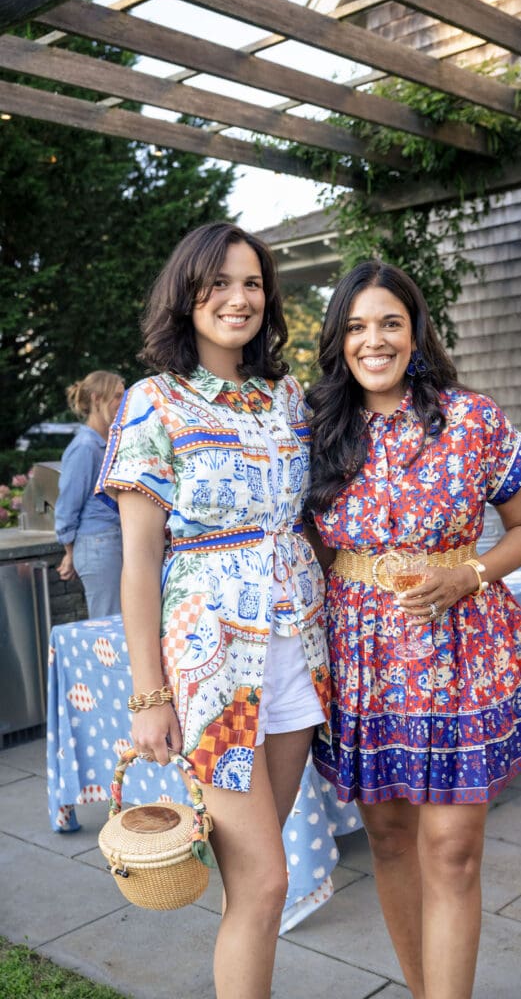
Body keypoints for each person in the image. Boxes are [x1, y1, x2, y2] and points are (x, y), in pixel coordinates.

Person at [306, 261, 521, 999]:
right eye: (355, 327)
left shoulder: (470, 419)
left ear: (415, 332)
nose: (372, 340)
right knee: (387, 840)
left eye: (388, 322)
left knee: (451, 850)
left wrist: (468, 574)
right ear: (337, 340)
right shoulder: (315, 427)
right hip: (363, 656)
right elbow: (310, 546)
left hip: (458, 650)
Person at [96, 222, 330, 999]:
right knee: (266, 883)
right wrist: (149, 694)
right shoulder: (152, 402)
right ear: (186, 295)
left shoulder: (287, 397)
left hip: (299, 658)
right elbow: (139, 564)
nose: (238, 298)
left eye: (253, 283)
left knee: (252, 882)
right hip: (213, 670)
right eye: (219, 284)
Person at [55, 370, 125, 617]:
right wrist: (70, 553)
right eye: (117, 396)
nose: (123, 401)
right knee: (109, 625)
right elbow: (66, 507)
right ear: (97, 399)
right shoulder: (85, 448)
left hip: (111, 542)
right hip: (98, 545)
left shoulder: (108, 442)